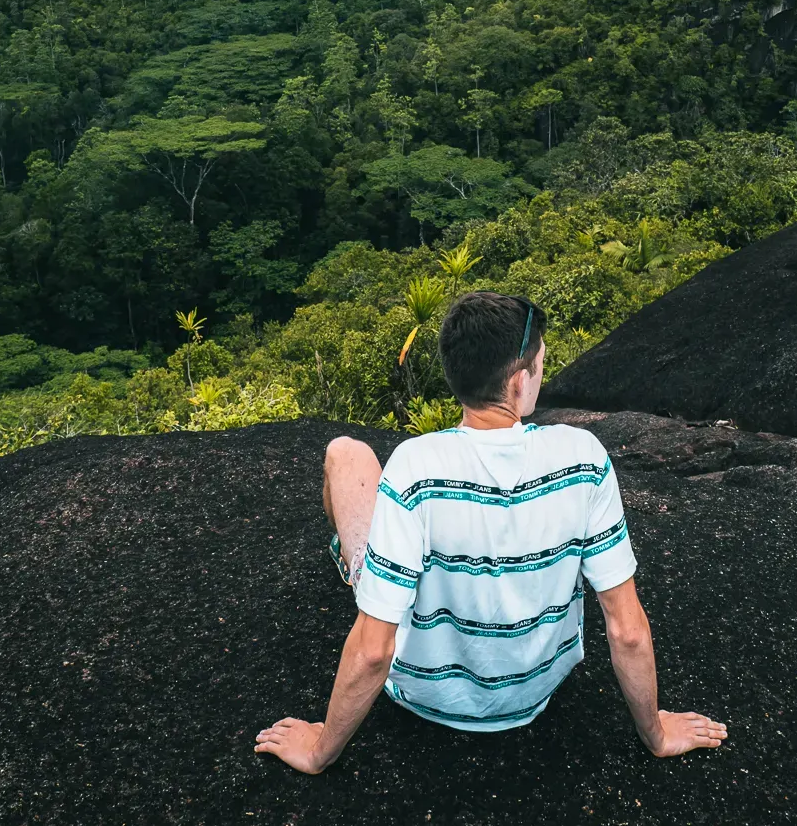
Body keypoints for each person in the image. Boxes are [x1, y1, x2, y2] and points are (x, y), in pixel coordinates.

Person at [255, 291, 727, 773]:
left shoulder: (416, 466)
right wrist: (658, 734)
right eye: (540, 366)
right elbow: (626, 630)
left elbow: (374, 649)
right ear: (520, 383)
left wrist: (319, 751)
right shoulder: (583, 457)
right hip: (537, 694)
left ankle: (361, 567)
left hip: (424, 696)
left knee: (346, 452)